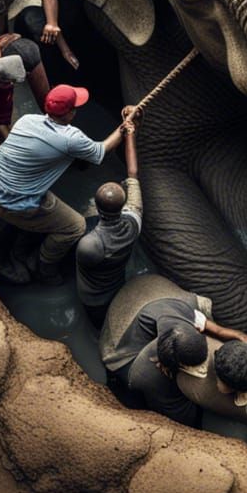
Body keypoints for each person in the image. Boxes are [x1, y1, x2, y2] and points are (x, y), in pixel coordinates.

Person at [100, 274, 247, 449]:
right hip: (125, 351)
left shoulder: (184, 318)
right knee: (183, 421)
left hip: (152, 295)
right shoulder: (157, 370)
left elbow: (229, 334)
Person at [0, 84, 124, 284]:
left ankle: (21, 246)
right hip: (12, 203)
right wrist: (125, 127)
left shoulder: (27, 120)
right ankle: (42, 266)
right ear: (71, 113)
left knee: (40, 200)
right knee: (75, 226)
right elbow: (101, 151)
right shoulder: (71, 138)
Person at [76, 106, 143, 328]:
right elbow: (132, 174)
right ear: (123, 205)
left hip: (94, 298)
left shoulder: (90, 244)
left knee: (98, 326)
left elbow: (83, 257)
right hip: (117, 285)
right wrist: (131, 134)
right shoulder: (133, 223)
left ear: (96, 206)